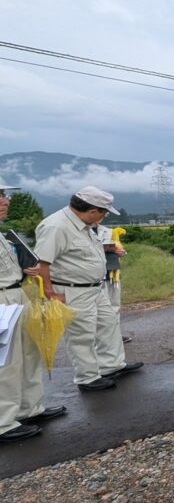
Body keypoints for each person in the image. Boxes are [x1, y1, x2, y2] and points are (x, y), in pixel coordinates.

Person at [34, 187, 143, 391]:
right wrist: (50, 293)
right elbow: (41, 263)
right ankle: (87, 377)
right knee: (81, 334)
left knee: (108, 324)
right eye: (104, 212)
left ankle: (111, 365)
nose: (104, 217)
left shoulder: (83, 225)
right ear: (93, 211)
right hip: (71, 289)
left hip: (94, 287)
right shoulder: (56, 226)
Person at [0, 184, 68, 443]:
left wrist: (24, 271)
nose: (6, 201)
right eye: (0, 196)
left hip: (16, 294)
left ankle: (29, 408)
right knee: (5, 362)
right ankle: (3, 422)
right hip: (2, 300)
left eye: (4, 195)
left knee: (29, 353)